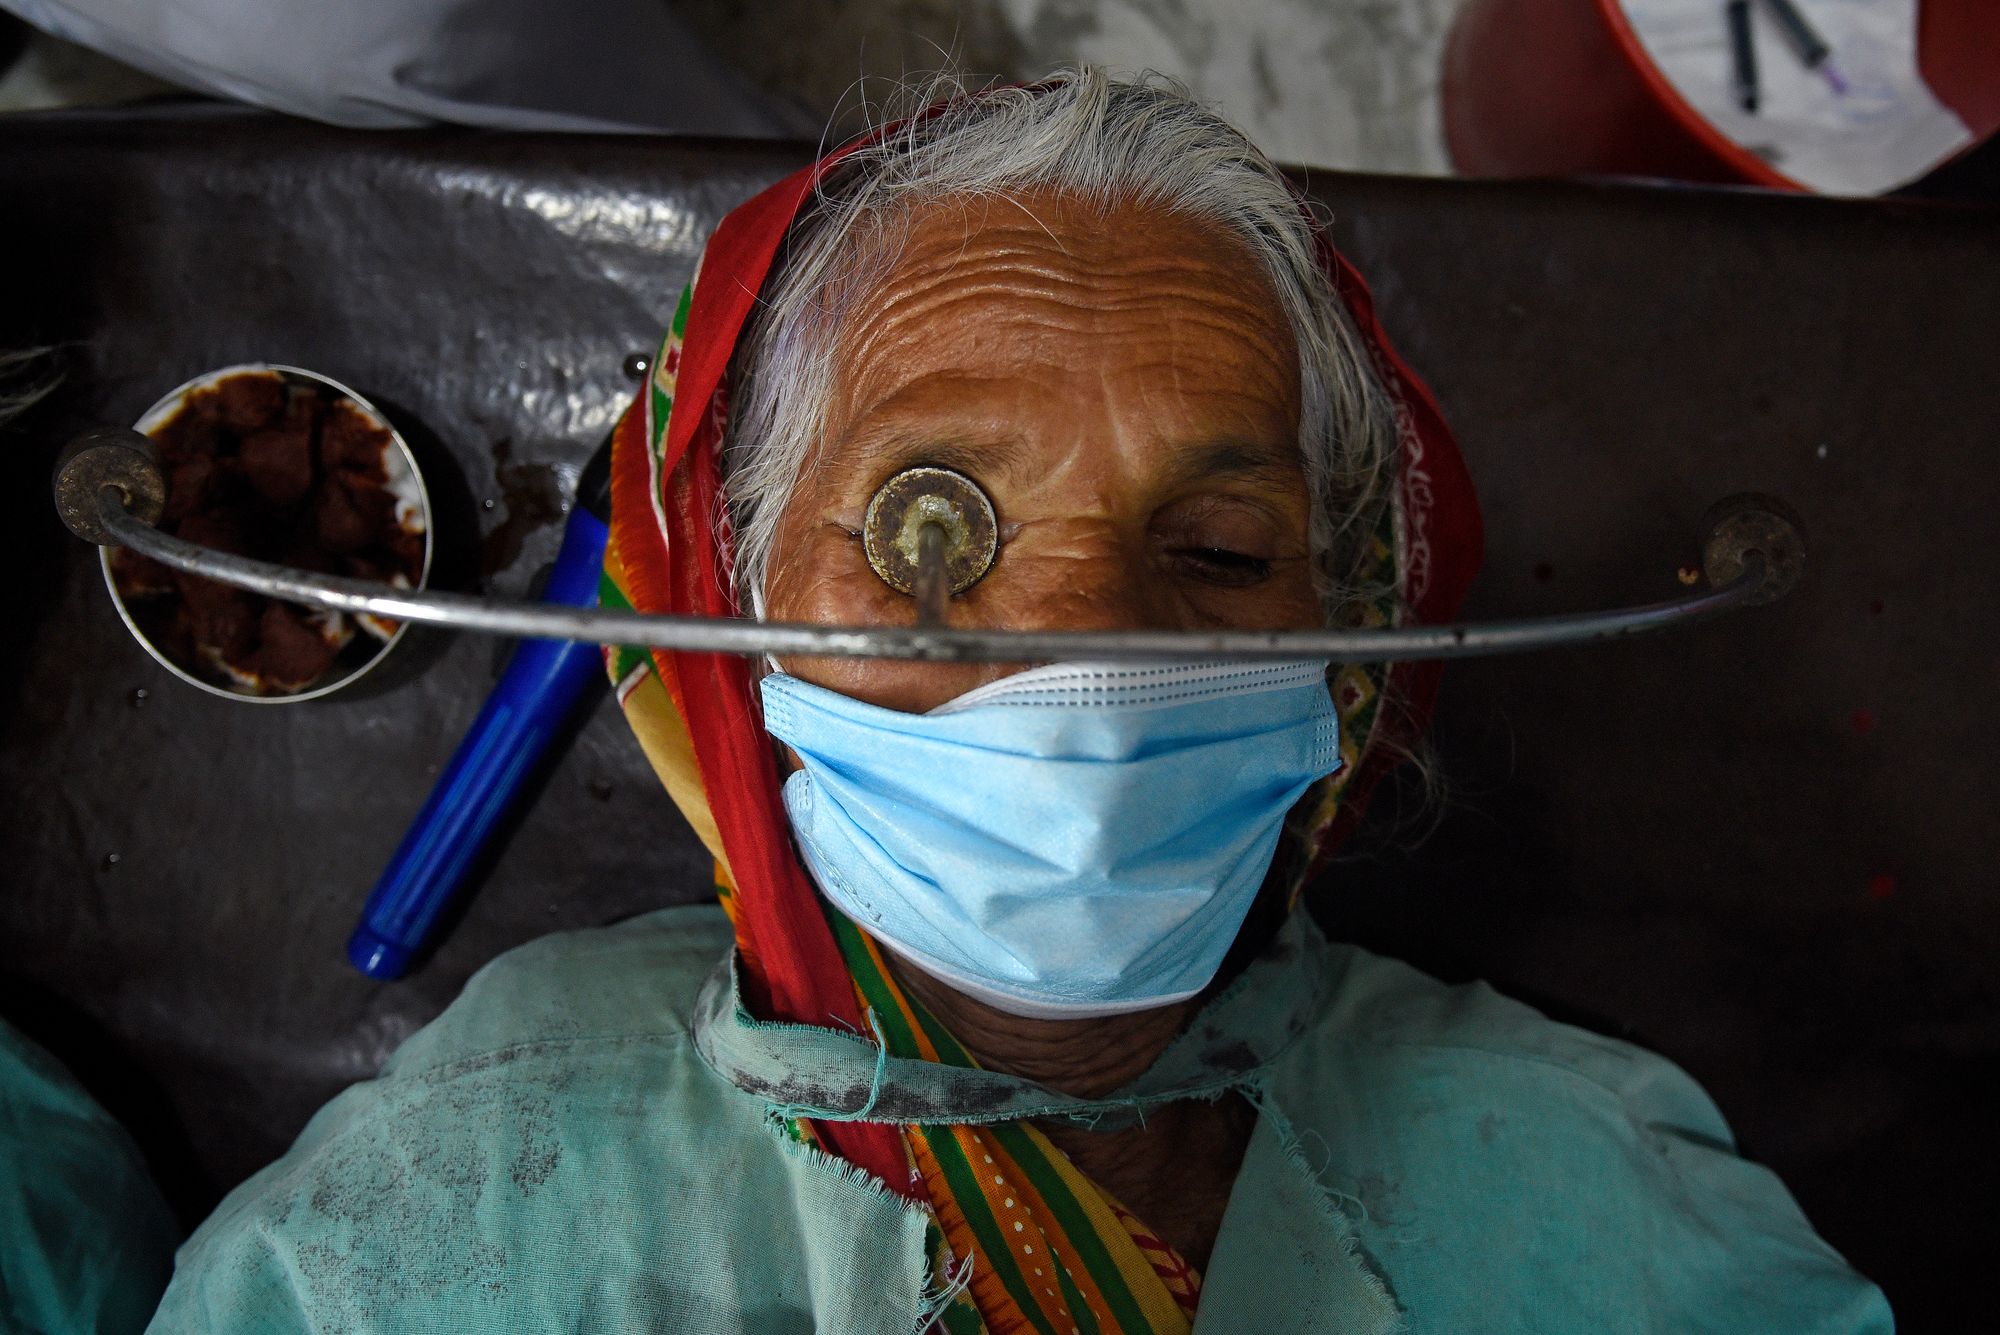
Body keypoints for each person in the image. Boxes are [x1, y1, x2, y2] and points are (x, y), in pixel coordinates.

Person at [147, 70, 1892, 1333]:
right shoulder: (431, 1239)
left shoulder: (1602, 1204)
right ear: (727, 598)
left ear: (1353, 656)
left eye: (1216, 549)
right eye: (927, 529)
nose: (1079, 655)